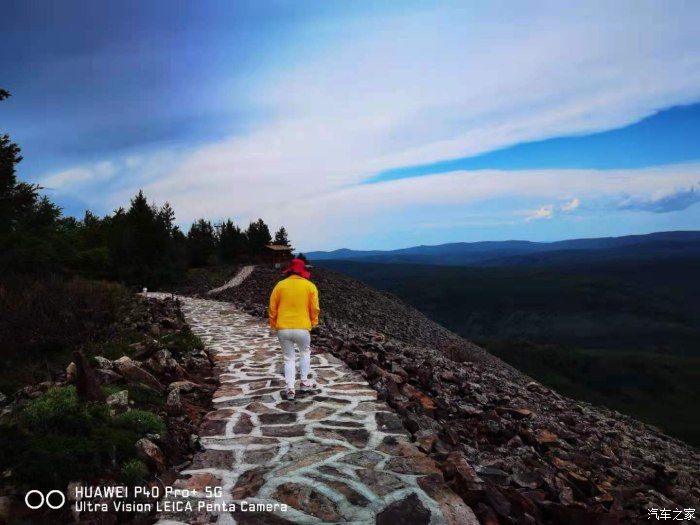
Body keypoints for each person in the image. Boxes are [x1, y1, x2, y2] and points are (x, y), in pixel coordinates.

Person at [268, 258, 320, 400]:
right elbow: (314, 308)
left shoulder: (280, 285)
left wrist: (274, 324)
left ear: (290, 270)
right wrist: (313, 322)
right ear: (303, 271)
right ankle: (303, 382)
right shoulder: (310, 286)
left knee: (288, 358)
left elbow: (272, 308)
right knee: (304, 352)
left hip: (283, 327)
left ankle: (290, 388)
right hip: (302, 327)